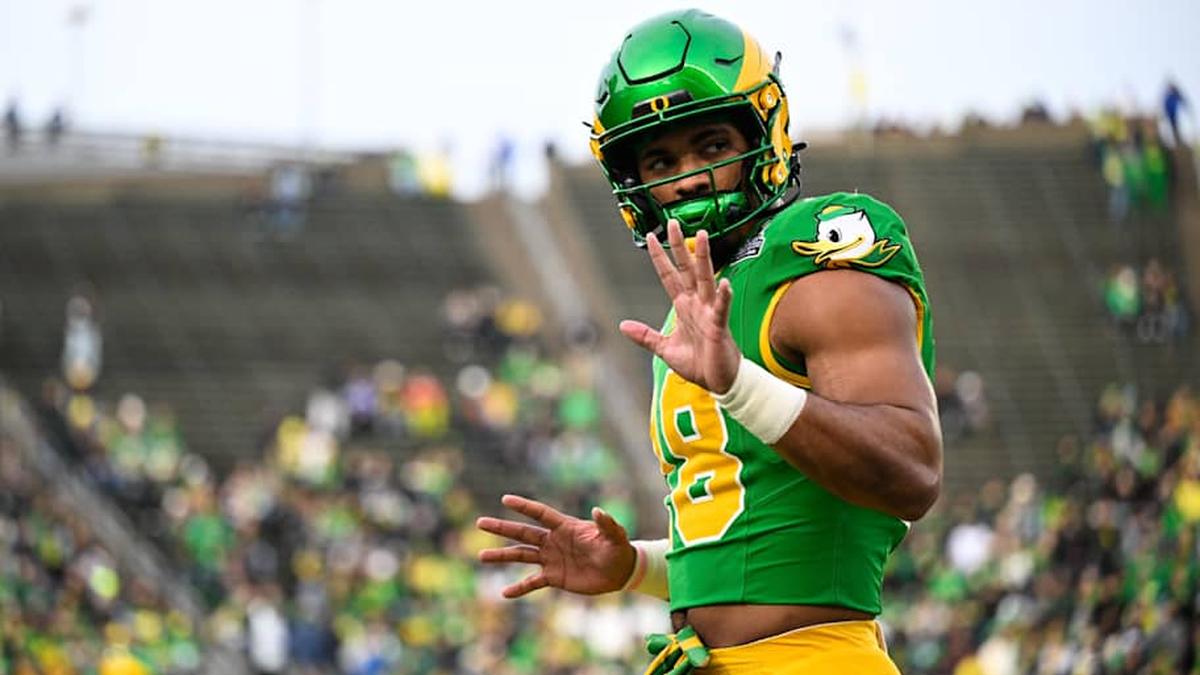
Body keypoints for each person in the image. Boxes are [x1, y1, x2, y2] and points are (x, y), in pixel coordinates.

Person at [476, 9, 941, 674]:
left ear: (766, 131)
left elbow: (912, 470)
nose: (689, 177)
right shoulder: (693, 309)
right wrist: (634, 564)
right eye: (661, 159)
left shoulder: (816, 250)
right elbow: (754, 542)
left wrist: (740, 383)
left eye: (712, 146)